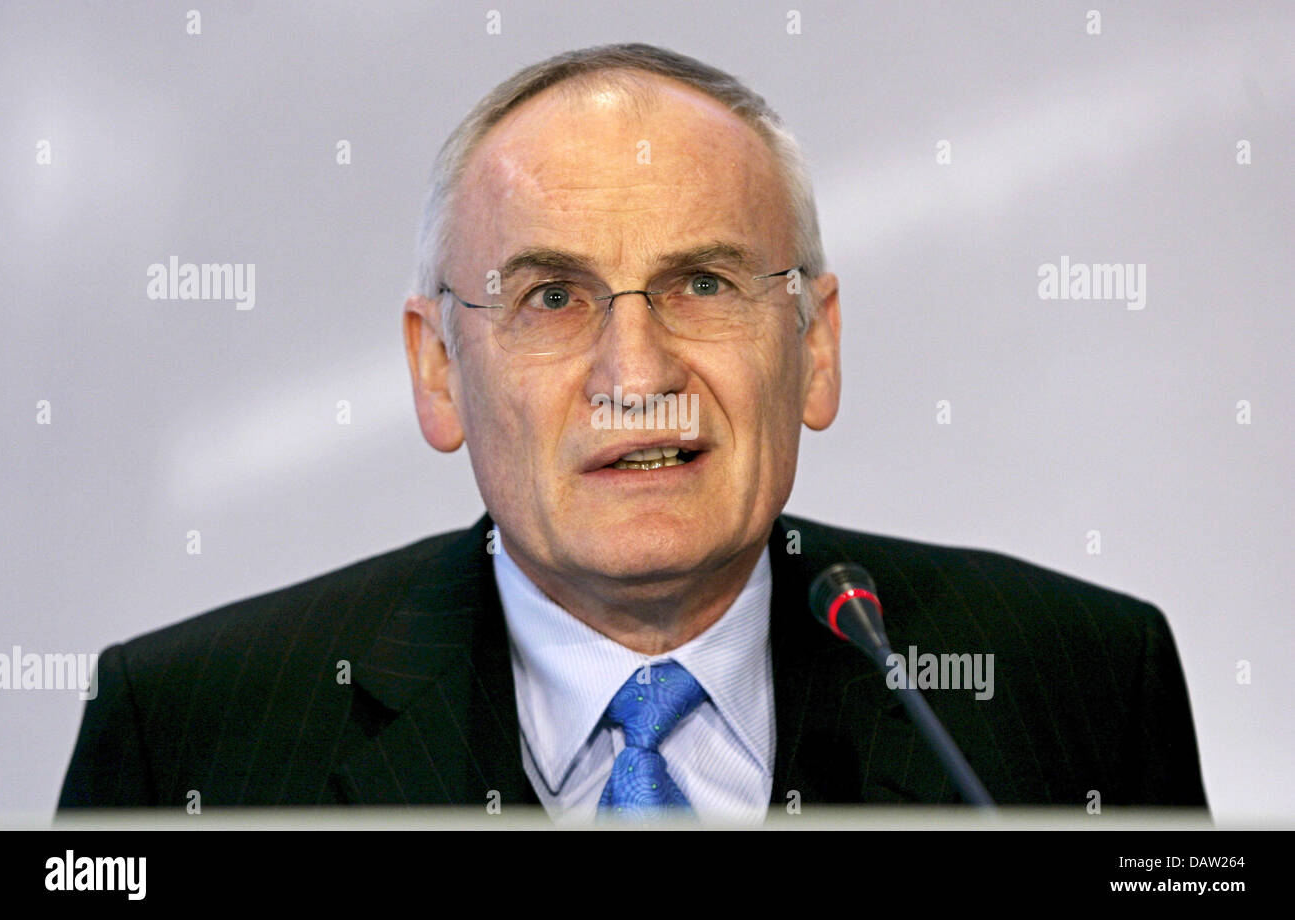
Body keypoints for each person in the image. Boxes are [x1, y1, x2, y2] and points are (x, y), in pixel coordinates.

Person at [59, 43, 1207, 823]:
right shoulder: (192, 738)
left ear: (814, 346)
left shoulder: (1081, 686)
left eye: (703, 283)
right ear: (437, 369)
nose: (638, 373)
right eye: (552, 297)